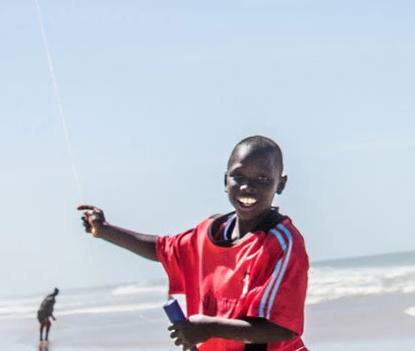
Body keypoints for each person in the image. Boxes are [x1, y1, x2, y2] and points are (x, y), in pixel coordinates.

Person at [78, 136, 308, 351]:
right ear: (225, 180)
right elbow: (162, 249)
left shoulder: (282, 242)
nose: (248, 187)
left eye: (262, 178)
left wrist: (210, 328)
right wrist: (104, 230)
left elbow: (282, 327)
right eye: (239, 176)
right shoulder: (209, 232)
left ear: (281, 184)